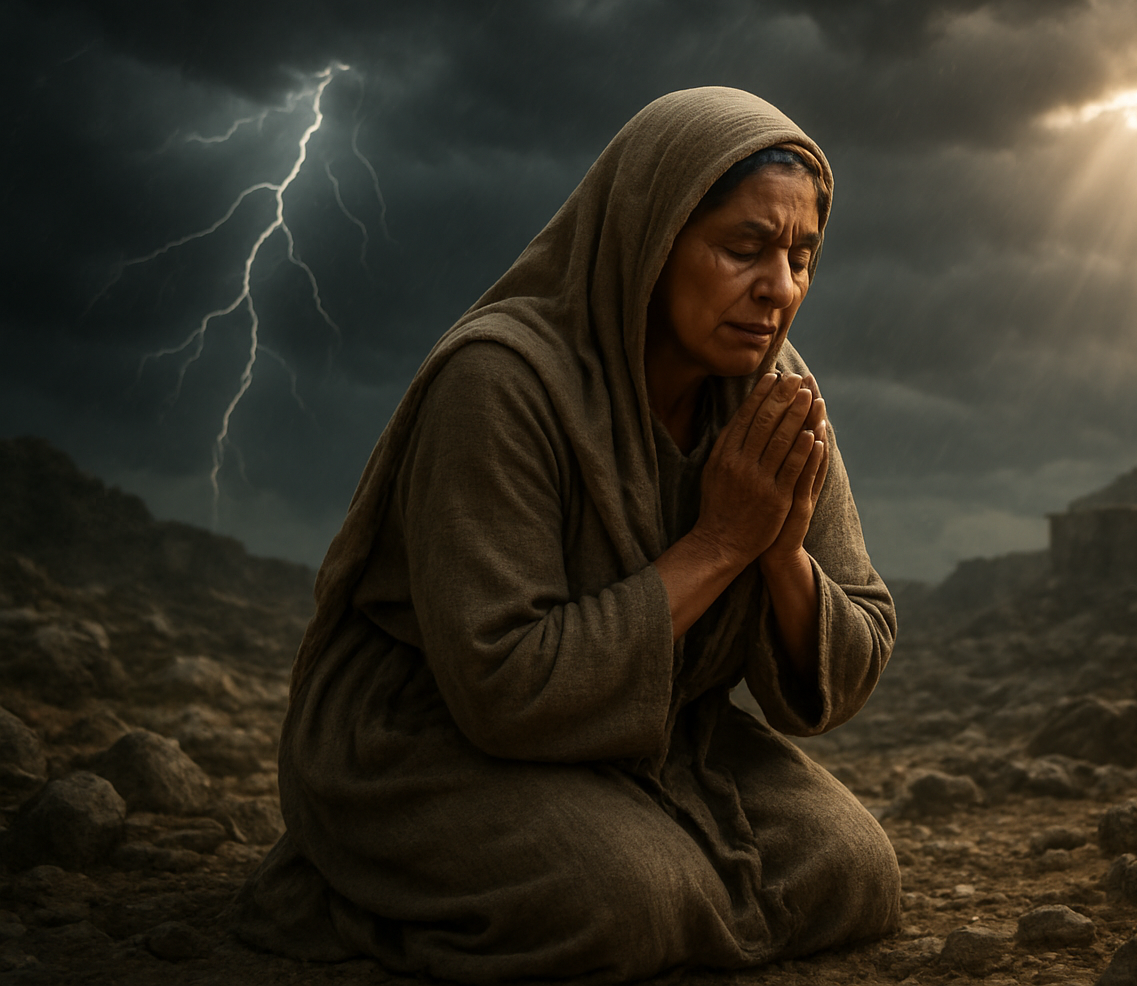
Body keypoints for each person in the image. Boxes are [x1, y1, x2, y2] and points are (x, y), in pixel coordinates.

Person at [234, 86, 901, 984]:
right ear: (651, 238)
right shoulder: (500, 383)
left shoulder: (770, 387)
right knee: (629, 901)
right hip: (432, 740)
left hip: (655, 738)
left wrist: (777, 551)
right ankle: (346, 883)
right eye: (744, 249)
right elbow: (501, 684)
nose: (779, 290)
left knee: (853, 872)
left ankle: (643, 862)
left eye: (802, 256)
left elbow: (856, 641)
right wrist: (717, 544)